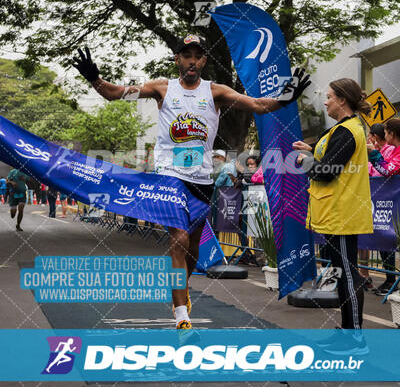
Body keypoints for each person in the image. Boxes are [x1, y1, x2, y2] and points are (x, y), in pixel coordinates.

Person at [73, 37, 310, 332]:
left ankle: (179, 292)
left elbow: (259, 105)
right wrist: (95, 79)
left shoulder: (216, 92)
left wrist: (287, 97)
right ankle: (182, 315)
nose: (192, 61)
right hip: (170, 176)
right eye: (187, 56)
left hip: (200, 179)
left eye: (198, 56)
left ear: (204, 62)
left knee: (193, 250)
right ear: (177, 60)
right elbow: (116, 94)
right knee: (179, 240)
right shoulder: (161, 88)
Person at [293, 78, 373, 353]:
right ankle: (347, 332)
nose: (325, 101)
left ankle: (356, 339)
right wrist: (311, 151)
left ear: (342, 100)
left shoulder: (348, 130)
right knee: (342, 274)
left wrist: (305, 162)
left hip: (342, 214)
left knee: (349, 275)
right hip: (334, 213)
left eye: (328, 97)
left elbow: (326, 171)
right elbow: (329, 159)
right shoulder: (342, 130)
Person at [367, 118, 400, 296]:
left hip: (395, 203)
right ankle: (389, 280)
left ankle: (391, 280)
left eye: (386, 132)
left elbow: (387, 171)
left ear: (392, 134)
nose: (384, 135)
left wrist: (373, 153)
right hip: (388, 204)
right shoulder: (393, 150)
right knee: (384, 239)